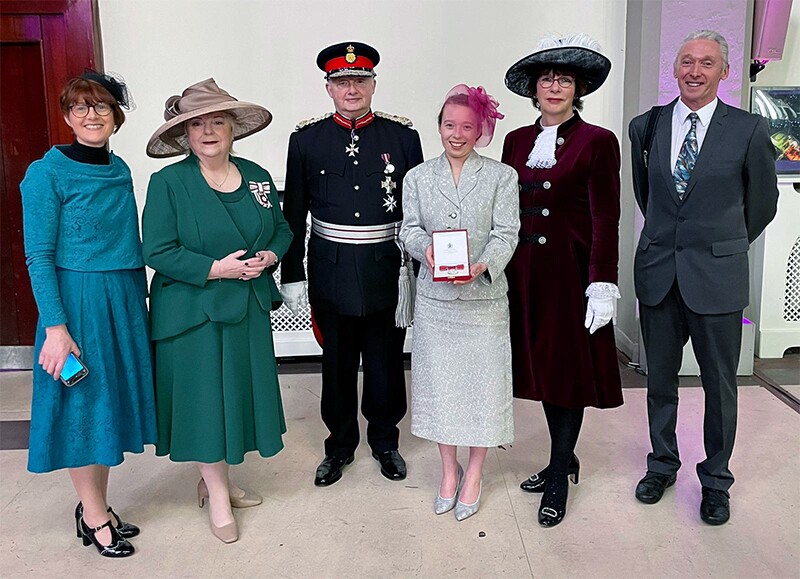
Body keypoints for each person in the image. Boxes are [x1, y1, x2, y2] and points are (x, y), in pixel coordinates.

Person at [629, 30, 778, 525]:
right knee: (660, 383)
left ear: (725, 72)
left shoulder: (750, 130)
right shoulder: (646, 126)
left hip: (717, 276)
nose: (695, 71)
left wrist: (720, 244)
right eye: (687, 61)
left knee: (720, 386)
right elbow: (647, 196)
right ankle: (662, 465)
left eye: (707, 63)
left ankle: (716, 481)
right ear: (674, 68)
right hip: (658, 273)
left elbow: (762, 207)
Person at [142, 78, 292, 543]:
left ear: (233, 129)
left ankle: (216, 482)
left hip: (245, 307)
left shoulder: (257, 175)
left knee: (235, 399)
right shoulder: (168, 182)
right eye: (198, 124)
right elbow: (157, 249)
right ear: (185, 135)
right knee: (206, 403)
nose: (208, 131)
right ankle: (219, 496)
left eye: (218, 122)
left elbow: (281, 229)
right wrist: (214, 269)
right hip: (192, 311)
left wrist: (270, 256)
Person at [20, 71, 155, 557]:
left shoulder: (119, 169)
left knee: (107, 405)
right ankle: (94, 516)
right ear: (66, 116)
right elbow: (38, 255)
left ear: (116, 117)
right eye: (80, 107)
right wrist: (56, 328)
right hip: (77, 303)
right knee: (84, 404)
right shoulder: (45, 173)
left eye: (100, 107)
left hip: (121, 296)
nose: (91, 115)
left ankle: (97, 504)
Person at [281, 42, 424, 487]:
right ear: (328, 88)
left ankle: (385, 442)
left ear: (374, 84)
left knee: (384, 362)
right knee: (337, 363)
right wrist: (292, 272)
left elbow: (418, 210)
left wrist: (421, 272)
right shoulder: (306, 140)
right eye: (342, 82)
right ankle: (339, 446)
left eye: (360, 80)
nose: (352, 89)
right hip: (331, 266)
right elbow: (295, 213)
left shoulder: (402, 138)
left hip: (386, 265)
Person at [502, 34, 623, 527]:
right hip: (524, 278)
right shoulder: (515, 141)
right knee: (540, 371)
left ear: (578, 88)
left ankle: (557, 472)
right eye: (547, 78)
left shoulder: (598, 141)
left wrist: (603, 281)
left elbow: (605, 217)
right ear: (534, 88)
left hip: (571, 279)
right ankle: (563, 456)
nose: (554, 86)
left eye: (565, 79)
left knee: (567, 376)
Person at [399, 84, 518, 521]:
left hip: (484, 301)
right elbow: (408, 228)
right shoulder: (417, 177)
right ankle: (449, 471)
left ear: (481, 130)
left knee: (484, 390)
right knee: (442, 390)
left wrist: (484, 264)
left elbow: (508, 232)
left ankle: (476, 472)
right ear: (439, 127)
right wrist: (425, 248)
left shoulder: (502, 176)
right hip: (436, 301)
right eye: (449, 125)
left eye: (467, 126)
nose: (457, 133)